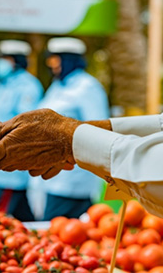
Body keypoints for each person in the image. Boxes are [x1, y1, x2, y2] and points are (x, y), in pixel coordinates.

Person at [0, 104, 163, 221]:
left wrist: (69, 139)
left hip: (73, 180)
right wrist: (77, 133)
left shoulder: (85, 87)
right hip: (58, 170)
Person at [37, 37, 109, 220]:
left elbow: (98, 129)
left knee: (61, 233)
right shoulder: (57, 87)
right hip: (53, 177)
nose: (52, 65)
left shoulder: (87, 87)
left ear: (68, 59)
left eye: (55, 60)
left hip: (73, 179)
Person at [0, 39, 44, 221]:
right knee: (23, 216)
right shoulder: (1, 85)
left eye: (6, 58)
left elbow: (25, 125)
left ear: (17, 60)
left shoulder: (28, 86)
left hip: (10, 166)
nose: (0, 63)